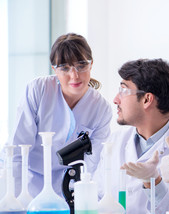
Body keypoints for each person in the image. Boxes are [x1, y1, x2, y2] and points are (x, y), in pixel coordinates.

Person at [93, 58, 169, 214]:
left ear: (146, 99)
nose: (116, 99)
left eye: (123, 90)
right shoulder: (114, 142)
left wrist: (156, 182)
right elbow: (96, 199)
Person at [1, 33, 112, 198]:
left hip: (68, 187)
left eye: (81, 65)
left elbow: (92, 165)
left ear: (91, 64)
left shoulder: (101, 108)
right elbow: (18, 151)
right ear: (54, 69)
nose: (74, 75)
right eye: (65, 68)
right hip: (26, 180)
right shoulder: (39, 90)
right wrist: (14, 201)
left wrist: (82, 202)